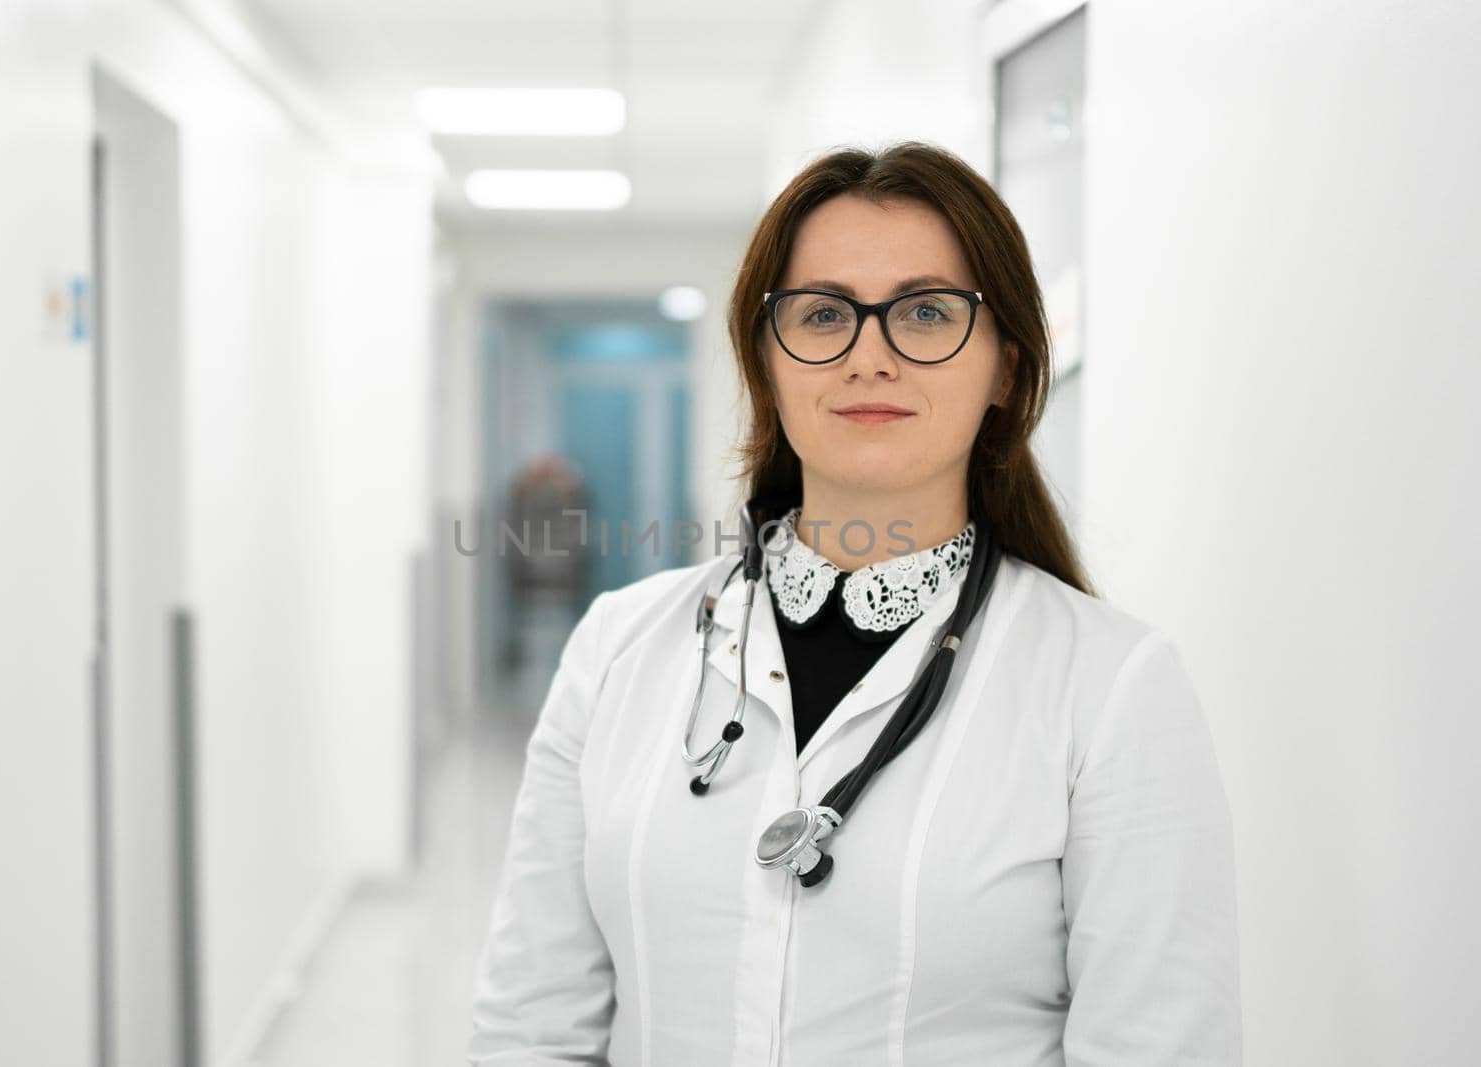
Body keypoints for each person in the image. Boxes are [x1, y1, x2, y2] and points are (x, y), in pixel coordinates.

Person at [467, 141, 1242, 1065]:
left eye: (925, 312)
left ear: (1005, 368)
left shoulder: (1109, 686)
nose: (868, 356)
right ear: (768, 359)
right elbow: (530, 1027)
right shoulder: (616, 651)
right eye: (824, 314)